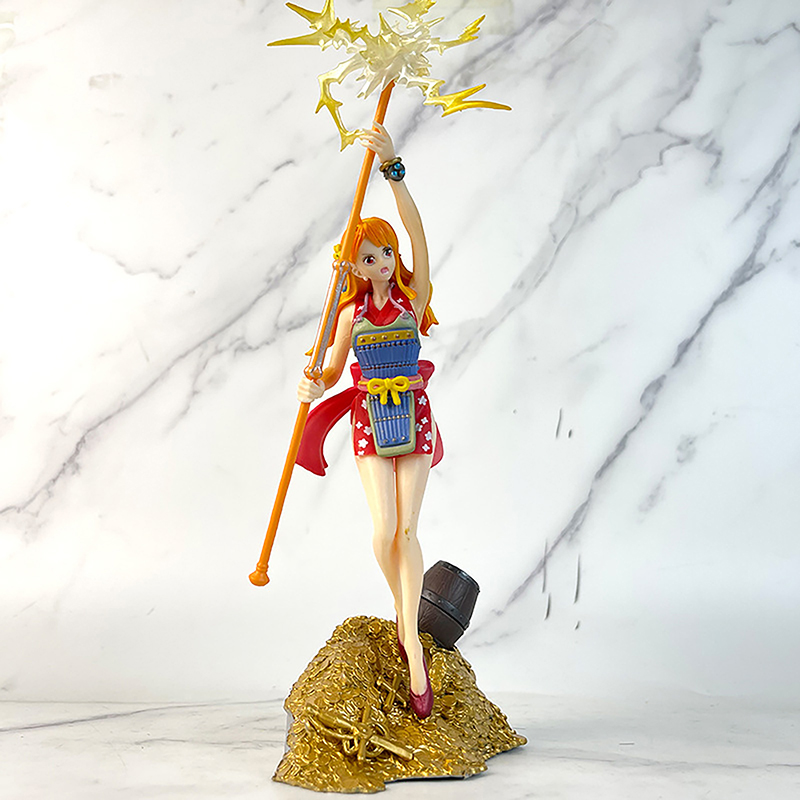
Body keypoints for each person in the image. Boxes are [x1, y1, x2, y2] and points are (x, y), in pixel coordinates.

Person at [296, 122, 440, 718]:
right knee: (383, 533)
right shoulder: (350, 314)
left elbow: (418, 233)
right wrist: (314, 383)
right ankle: (407, 614)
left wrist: (392, 168)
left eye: (385, 253)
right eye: (367, 257)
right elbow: (332, 370)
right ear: (354, 265)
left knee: (407, 531)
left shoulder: (413, 296)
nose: (380, 262)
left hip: (413, 413)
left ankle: (412, 645)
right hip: (368, 420)